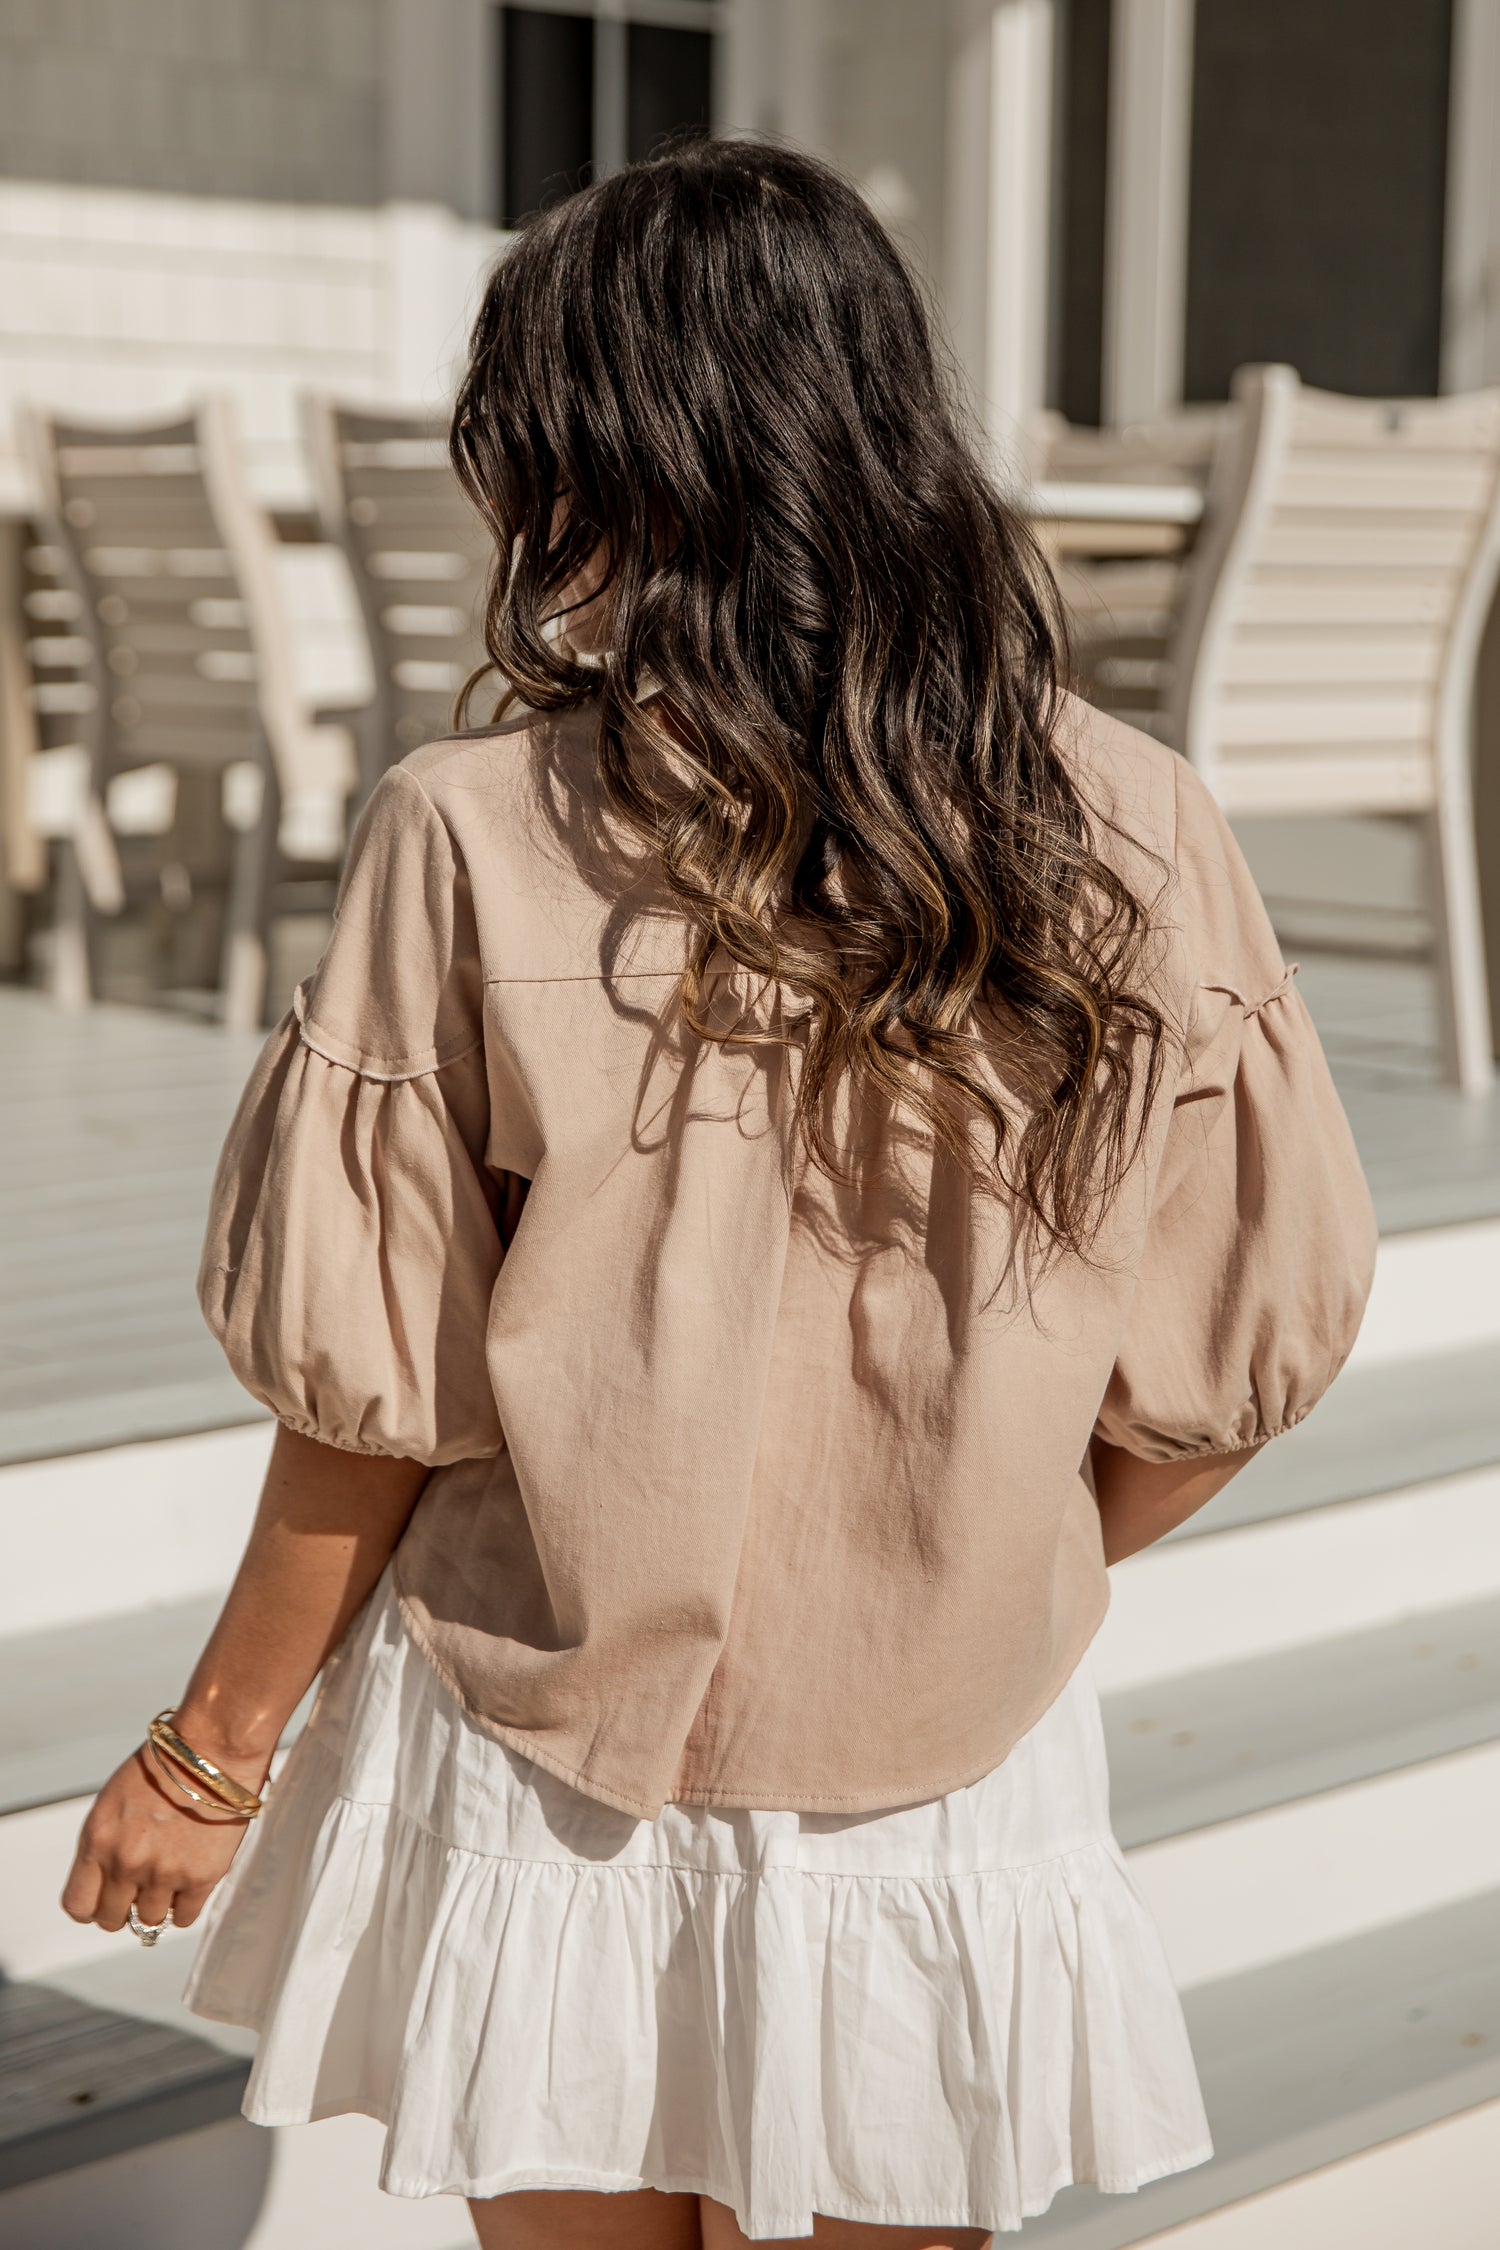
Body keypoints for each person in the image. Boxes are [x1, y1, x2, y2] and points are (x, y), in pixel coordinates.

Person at [61, 139, 1376, 2250]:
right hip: (943, 1766)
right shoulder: (1141, 827)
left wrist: (212, 1755)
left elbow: (371, 1395)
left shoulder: (468, 828)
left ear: (603, 456)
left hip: (546, 1747)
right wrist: (984, 1545)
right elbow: (1230, 1368)